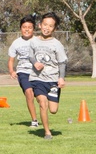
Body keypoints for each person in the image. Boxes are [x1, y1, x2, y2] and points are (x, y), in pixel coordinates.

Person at [27, 12, 67, 140]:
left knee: (53, 110)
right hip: (37, 79)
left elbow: (62, 62)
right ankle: (47, 132)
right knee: (42, 103)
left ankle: (48, 129)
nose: (47, 28)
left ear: (54, 29)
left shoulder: (57, 44)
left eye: (50, 26)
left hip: (53, 80)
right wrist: (35, 63)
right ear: (40, 25)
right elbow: (30, 56)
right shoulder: (33, 41)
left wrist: (61, 78)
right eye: (45, 24)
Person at [7, 15, 40, 127]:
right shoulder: (16, 43)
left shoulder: (38, 41)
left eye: (29, 27)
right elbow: (11, 60)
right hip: (23, 72)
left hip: (38, 73)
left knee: (41, 98)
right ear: (21, 28)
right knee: (29, 93)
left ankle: (43, 116)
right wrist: (12, 71)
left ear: (33, 29)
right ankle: (34, 121)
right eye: (24, 27)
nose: (27, 29)